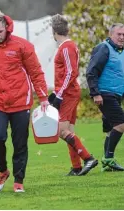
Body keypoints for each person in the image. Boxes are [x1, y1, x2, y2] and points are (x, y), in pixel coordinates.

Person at [0, 12, 49, 193]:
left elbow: (36, 72)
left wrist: (44, 97)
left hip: (21, 101)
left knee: (20, 142)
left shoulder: (23, 46)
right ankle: (3, 171)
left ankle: (19, 180)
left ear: (7, 28)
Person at [48, 14, 98, 176]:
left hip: (68, 93)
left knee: (61, 131)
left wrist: (60, 94)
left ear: (54, 31)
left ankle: (88, 158)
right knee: (69, 130)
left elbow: (71, 72)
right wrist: (56, 92)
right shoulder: (67, 46)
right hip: (67, 92)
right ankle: (76, 167)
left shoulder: (66, 47)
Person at [86, 23, 124, 172]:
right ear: (111, 35)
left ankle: (107, 164)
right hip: (104, 94)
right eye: (119, 34)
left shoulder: (120, 52)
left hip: (116, 94)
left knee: (110, 128)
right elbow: (91, 71)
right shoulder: (103, 48)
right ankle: (108, 158)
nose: (121, 37)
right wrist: (95, 93)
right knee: (121, 124)